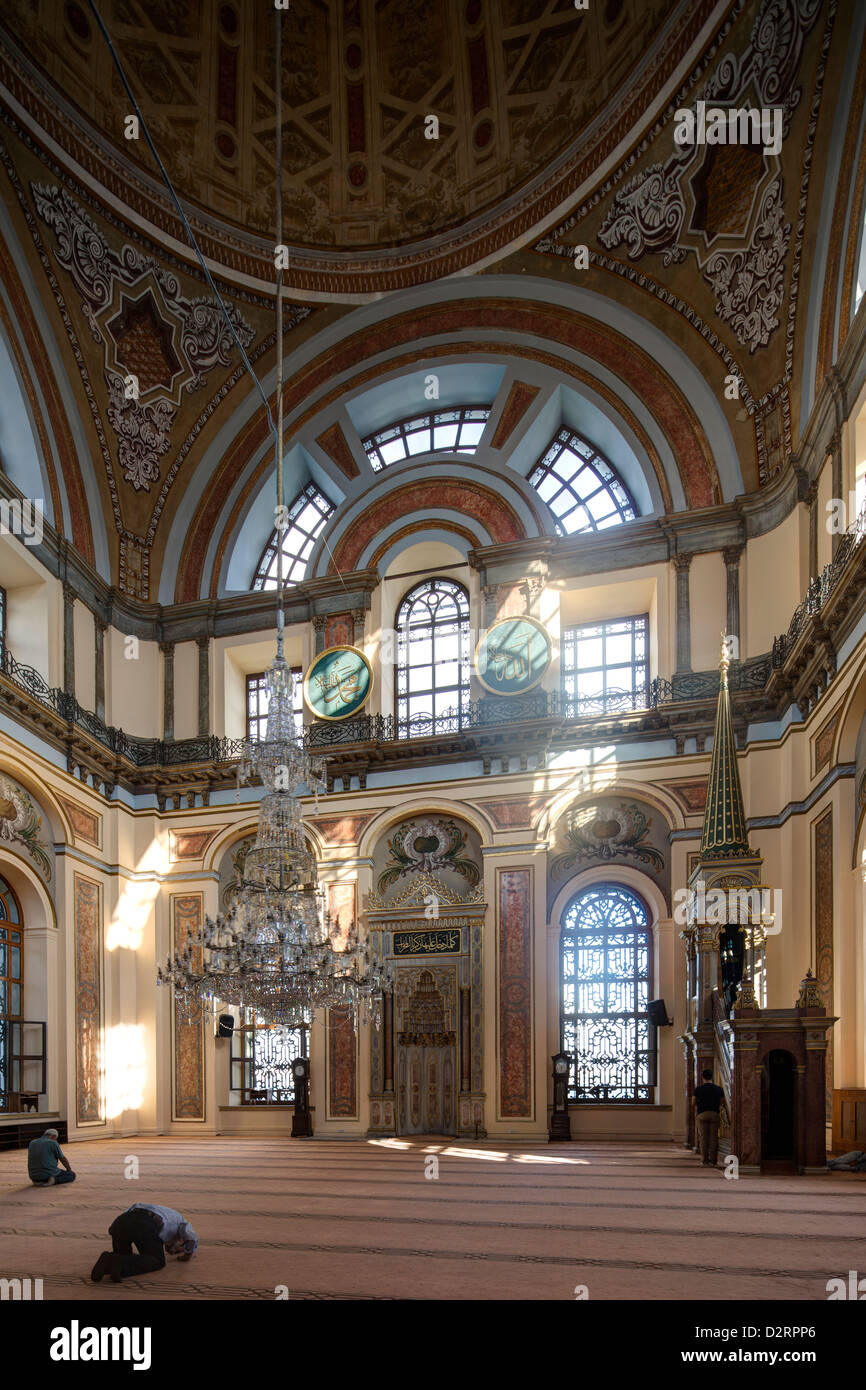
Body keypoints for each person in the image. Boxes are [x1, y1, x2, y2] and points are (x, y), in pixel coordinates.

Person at [91, 1202, 199, 1283]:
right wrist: (187, 1255)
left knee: (125, 1256)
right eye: (178, 1247)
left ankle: (110, 1264)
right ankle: (115, 1260)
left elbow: (129, 1214)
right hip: (144, 1223)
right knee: (157, 1261)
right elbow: (192, 1238)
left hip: (120, 1222)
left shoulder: (166, 1214)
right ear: (181, 1239)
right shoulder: (181, 1221)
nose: (172, 1250)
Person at [692, 1069, 727, 1166]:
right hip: (714, 1114)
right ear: (712, 1077)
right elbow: (722, 1102)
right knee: (714, 1138)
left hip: (702, 1114)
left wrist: (700, 1105)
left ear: (702, 1077)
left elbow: (693, 1102)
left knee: (703, 1138)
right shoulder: (718, 1089)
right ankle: (714, 1160)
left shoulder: (698, 1089)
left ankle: (705, 1160)